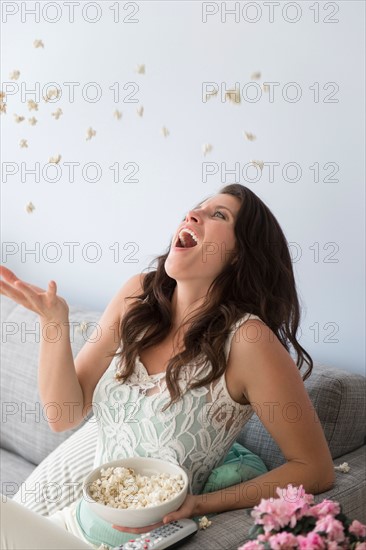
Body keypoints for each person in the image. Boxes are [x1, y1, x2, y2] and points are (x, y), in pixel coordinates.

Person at [0, 184, 335, 549]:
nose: (192, 215)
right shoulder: (137, 296)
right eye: (196, 209)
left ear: (240, 253)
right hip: (68, 525)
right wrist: (54, 323)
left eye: (218, 215)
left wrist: (200, 504)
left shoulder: (249, 341)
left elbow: (314, 468)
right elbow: (63, 414)